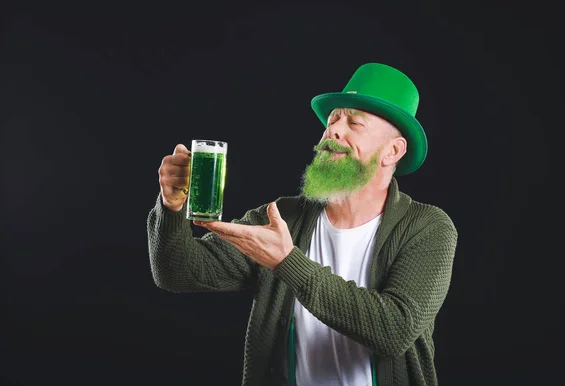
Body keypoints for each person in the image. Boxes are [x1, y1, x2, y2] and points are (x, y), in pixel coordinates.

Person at [147, 62, 458, 386]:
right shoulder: (282, 218)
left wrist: (286, 262)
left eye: (354, 123)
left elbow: (394, 330)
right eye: (333, 119)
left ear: (392, 151)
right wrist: (171, 207)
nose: (334, 131)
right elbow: (176, 273)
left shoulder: (428, 227)